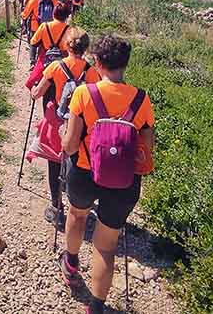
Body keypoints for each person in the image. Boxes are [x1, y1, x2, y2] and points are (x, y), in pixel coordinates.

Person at [59, 35, 155, 314]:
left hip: (84, 172)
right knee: (106, 244)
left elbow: (71, 145)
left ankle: (71, 264)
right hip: (123, 180)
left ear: (98, 63)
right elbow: (145, 150)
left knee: (77, 215)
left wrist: (62, 133)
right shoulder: (141, 99)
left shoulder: (83, 94)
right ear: (125, 64)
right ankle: (97, 306)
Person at [29, 27, 100, 228]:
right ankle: (76, 200)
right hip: (81, 124)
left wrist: (34, 91)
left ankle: (55, 206)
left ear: (66, 46)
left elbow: (38, 92)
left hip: (58, 122)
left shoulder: (55, 67)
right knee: (76, 162)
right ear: (86, 48)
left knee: (54, 163)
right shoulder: (92, 72)